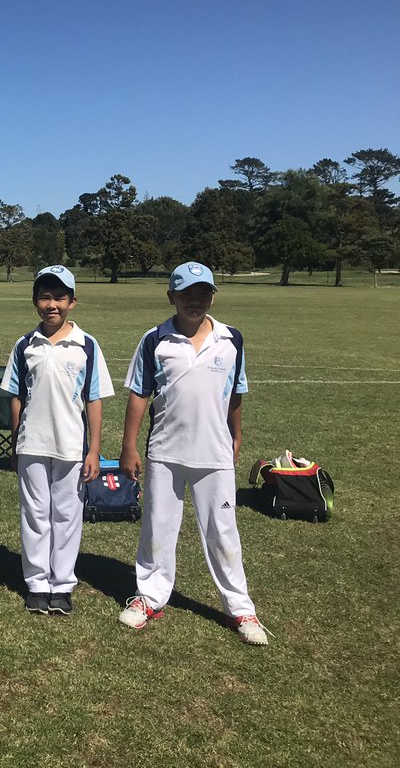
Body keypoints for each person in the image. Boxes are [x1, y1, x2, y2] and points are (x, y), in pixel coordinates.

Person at [118, 262, 269, 646]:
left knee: (223, 532)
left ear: (213, 296)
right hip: (166, 450)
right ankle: (150, 597)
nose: (195, 301)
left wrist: (237, 435)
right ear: (172, 297)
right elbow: (139, 394)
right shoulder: (155, 339)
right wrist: (129, 446)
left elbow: (236, 392)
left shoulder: (231, 338)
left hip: (215, 453)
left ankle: (240, 608)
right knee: (158, 527)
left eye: (203, 293)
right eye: (186, 294)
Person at [1, 266, 113, 616]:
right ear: (35, 301)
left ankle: (62, 585)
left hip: (70, 446)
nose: (52, 305)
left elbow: (93, 400)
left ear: (72, 302)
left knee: (66, 515)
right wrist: (16, 442)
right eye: (45, 297)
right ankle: (37, 583)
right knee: (34, 514)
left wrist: (94, 449)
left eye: (59, 298)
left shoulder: (87, 346)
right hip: (32, 444)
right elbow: (16, 397)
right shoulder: (25, 345)